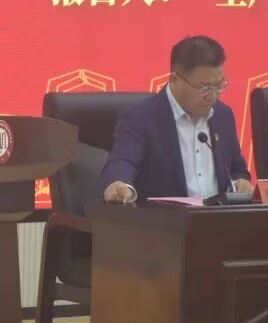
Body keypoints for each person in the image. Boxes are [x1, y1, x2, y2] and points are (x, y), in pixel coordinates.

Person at [103, 35, 253, 203]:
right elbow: (123, 160)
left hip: (217, 217)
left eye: (219, 86)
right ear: (174, 79)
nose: (213, 96)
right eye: (204, 88)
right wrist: (120, 185)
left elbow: (236, 169)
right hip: (166, 218)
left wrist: (240, 183)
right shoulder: (141, 116)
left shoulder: (223, 115)